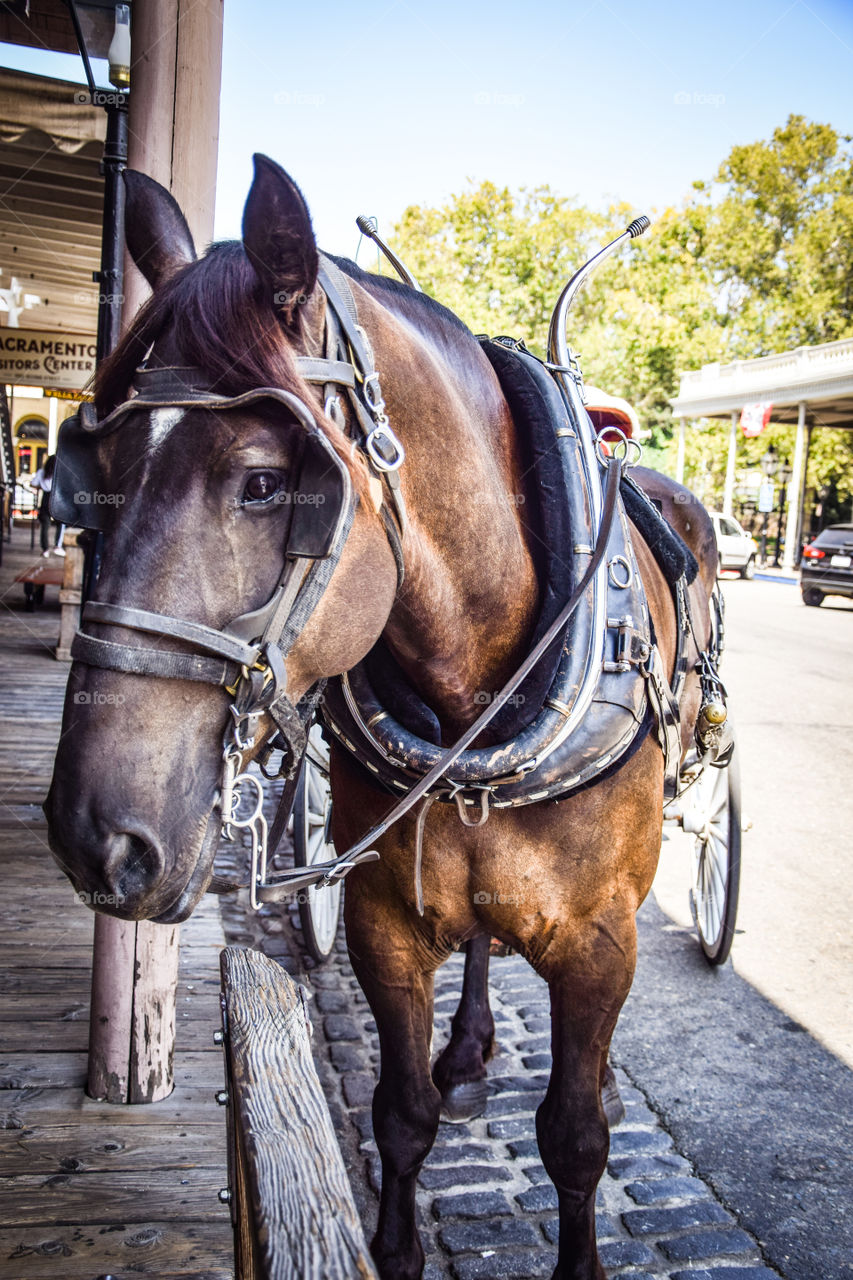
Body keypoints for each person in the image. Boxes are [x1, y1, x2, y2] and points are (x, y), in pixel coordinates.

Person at [30, 455, 65, 557]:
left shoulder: (41, 472)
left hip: (45, 499)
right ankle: (58, 546)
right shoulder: (59, 473)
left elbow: (33, 484)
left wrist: (41, 486)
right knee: (61, 523)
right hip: (57, 499)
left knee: (45, 525)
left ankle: (45, 549)